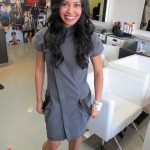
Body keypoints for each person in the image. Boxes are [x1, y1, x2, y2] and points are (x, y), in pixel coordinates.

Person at [32, 0, 103, 150]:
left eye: (76, 5)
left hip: (80, 103)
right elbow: (39, 69)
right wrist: (39, 99)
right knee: (53, 143)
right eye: (65, 4)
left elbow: (98, 72)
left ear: (82, 7)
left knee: (76, 141)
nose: (70, 11)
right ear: (57, 6)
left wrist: (97, 104)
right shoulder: (44, 36)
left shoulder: (90, 38)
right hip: (55, 102)